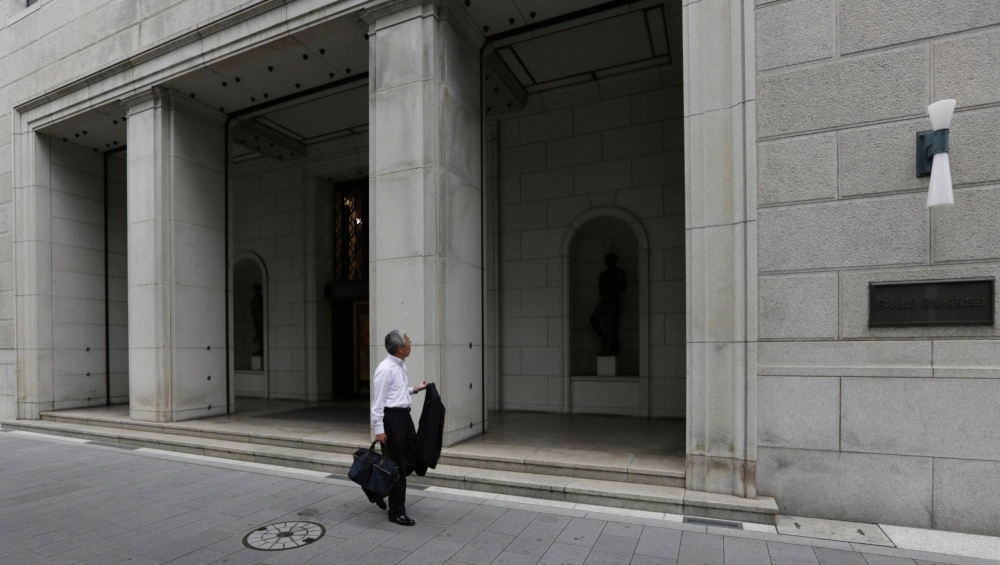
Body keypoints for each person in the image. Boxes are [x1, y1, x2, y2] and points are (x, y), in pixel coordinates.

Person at [370, 330, 428, 526]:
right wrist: (379, 429)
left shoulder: (400, 366)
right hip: (392, 420)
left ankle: (379, 489)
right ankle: (396, 512)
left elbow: (397, 392)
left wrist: (415, 389)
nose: (411, 344)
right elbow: (378, 402)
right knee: (398, 467)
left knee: (413, 457)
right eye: (408, 341)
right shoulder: (385, 369)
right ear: (400, 348)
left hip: (404, 417)